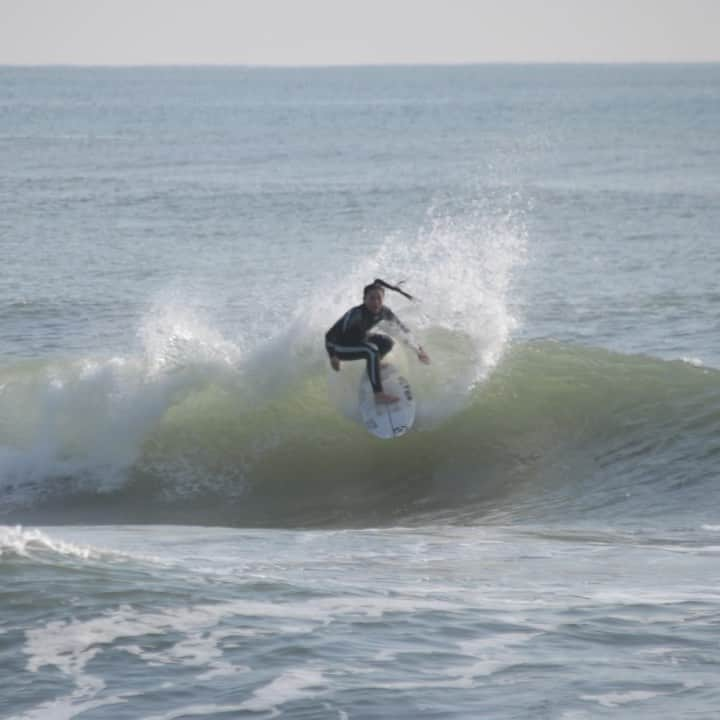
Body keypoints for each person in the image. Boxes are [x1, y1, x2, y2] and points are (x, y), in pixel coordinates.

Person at [325, 279, 430, 404]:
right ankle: (378, 395)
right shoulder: (356, 314)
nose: (375, 302)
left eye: (379, 298)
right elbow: (330, 335)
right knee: (372, 350)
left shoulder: (384, 312)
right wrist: (333, 356)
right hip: (341, 347)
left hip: (359, 340)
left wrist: (419, 350)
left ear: (383, 299)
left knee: (387, 342)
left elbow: (402, 330)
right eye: (371, 298)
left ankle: (375, 364)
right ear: (364, 299)